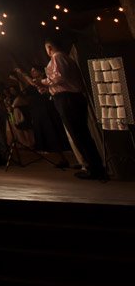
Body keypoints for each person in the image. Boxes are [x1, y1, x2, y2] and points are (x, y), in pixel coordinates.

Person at [41, 38, 108, 181]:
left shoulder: (57, 57)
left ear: (49, 47)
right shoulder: (65, 57)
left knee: (79, 134)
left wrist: (43, 82)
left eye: (46, 48)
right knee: (81, 134)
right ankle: (93, 166)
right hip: (70, 97)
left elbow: (59, 77)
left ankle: (94, 168)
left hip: (68, 99)